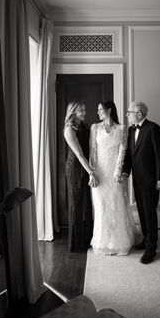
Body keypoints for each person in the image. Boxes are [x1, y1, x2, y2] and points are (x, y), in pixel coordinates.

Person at [89, 101, 137, 256]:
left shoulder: (122, 129)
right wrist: (92, 173)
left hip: (114, 174)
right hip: (100, 173)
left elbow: (123, 150)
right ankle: (103, 243)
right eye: (98, 110)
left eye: (100, 109)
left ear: (109, 110)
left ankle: (118, 243)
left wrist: (118, 171)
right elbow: (93, 152)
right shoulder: (95, 128)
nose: (98, 113)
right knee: (101, 207)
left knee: (117, 205)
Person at [123, 101, 160, 264]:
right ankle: (146, 239)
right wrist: (125, 171)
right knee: (142, 212)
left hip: (151, 181)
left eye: (129, 112)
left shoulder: (154, 129)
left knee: (150, 213)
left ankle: (152, 248)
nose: (127, 115)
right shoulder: (130, 130)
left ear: (139, 114)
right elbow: (129, 155)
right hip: (137, 180)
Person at [64, 101, 98, 252]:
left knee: (87, 205)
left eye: (84, 109)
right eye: (81, 111)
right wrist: (91, 172)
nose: (84, 112)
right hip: (75, 168)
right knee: (75, 205)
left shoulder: (85, 127)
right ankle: (76, 243)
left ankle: (88, 239)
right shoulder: (69, 130)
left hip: (86, 166)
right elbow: (79, 154)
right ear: (73, 112)